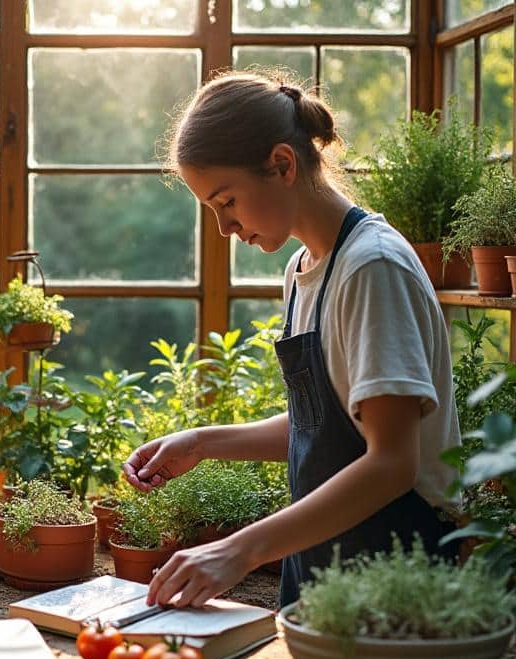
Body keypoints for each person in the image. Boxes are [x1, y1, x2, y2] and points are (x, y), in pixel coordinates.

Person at [126, 71, 460, 610]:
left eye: (227, 201)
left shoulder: (372, 268)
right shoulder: (306, 269)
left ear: (282, 165)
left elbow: (392, 462)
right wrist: (203, 442)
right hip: (325, 573)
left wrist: (238, 550)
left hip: (393, 579)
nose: (223, 228)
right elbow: (327, 426)